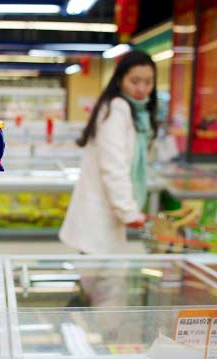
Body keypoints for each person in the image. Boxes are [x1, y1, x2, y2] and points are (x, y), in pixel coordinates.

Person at [59, 50, 157, 255]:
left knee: (99, 279)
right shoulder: (117, 110)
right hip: (99, 216)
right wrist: (129, 212)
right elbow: (114, 167)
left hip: (106, 215)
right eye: (135, 81)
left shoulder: (136, 113)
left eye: (148, 82)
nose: (142, 88)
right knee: (101, 280)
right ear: (120, 80)